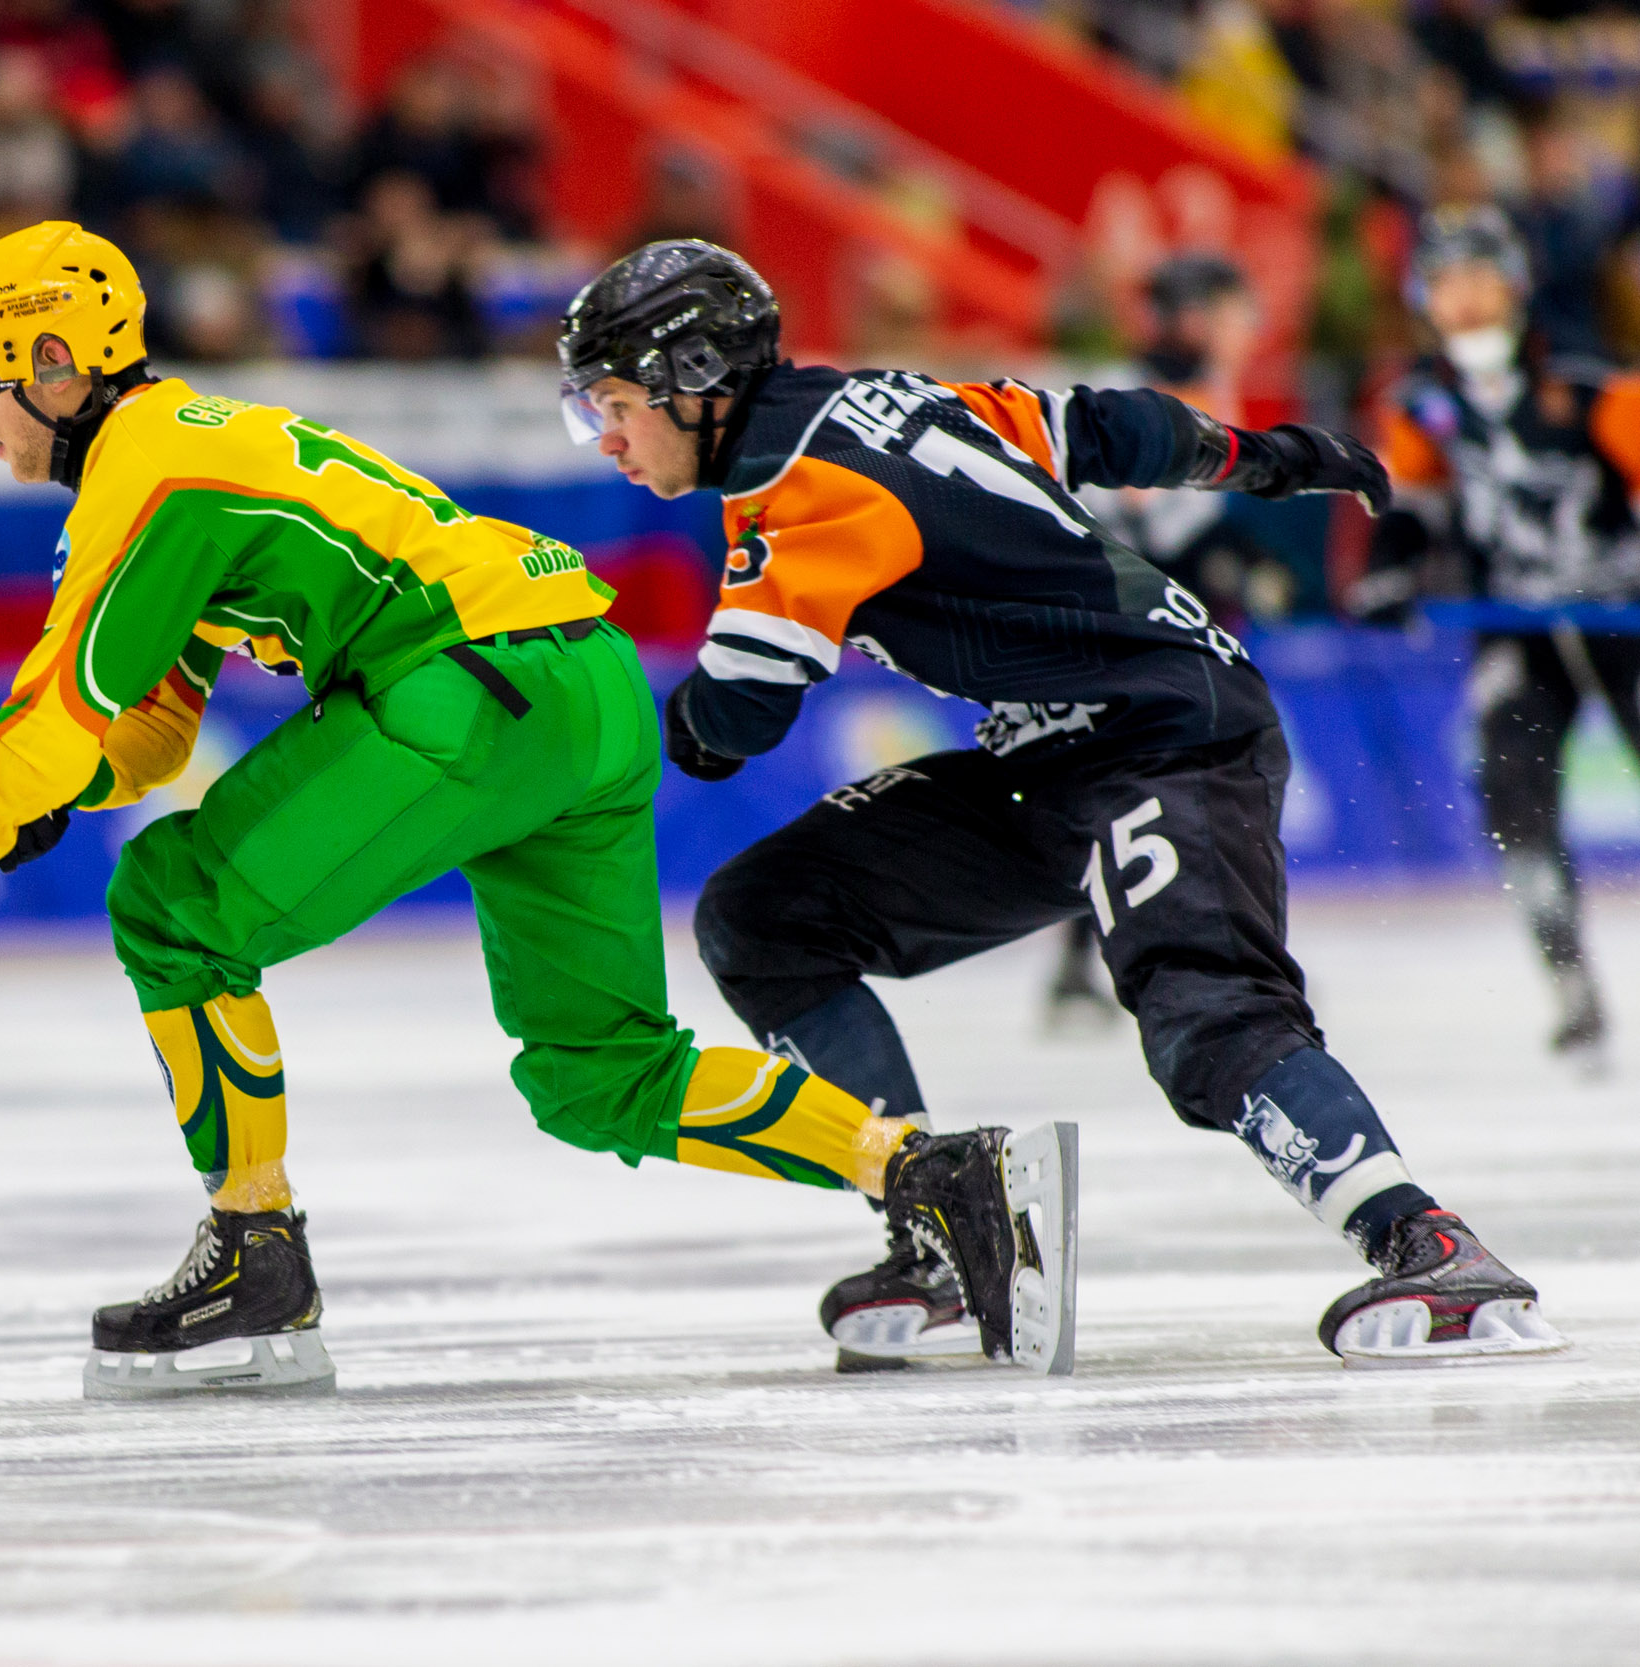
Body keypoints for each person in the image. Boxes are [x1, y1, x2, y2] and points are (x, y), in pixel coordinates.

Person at [0, 220, 1075, 1398]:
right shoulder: (187, 447)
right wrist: (51, 802)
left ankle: (256, 1253)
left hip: (463, 686)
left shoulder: (146, 472)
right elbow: (141, 730)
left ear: (54, 359)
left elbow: (55, 712)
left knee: (170, 904)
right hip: (578, 679)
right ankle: (934, 1174)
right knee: (599, 1074)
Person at [560, 238, 1567, 1370]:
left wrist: (566, 718)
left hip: (1166, 735)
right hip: (1057, 756)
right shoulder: (892, 397)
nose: (602, 438)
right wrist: (1270, 459)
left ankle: (1431, 1247)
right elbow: (1106, 427)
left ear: (696, 381)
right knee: (763, 916)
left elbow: (728, 722)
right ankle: (941, 1224)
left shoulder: (796, 493)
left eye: (609, 404)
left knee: (1206, 1016)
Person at [1356, 206, 1640, 1072]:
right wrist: (1389, 574)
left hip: (1619, 619)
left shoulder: (1591, 383)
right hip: (1515, 628)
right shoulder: (1423, 404)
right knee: (1513, 792)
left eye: (1481, 278)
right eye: (1447, 283)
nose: (1467, 300)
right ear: (1422, 298)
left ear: (1514, 286)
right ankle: (1570, 984)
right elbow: (1413, 506)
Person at [1053, 251, 1285, 1030]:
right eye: (1220, 309)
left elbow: (1193, 519)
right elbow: (1149, 523)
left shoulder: (1192, 385)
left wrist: (1235, 561)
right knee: (1126, 776)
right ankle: (1089, 960)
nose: (1233, 327)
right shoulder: (1137, 390)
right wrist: (1229, 564)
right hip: (1116, 605)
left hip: (1140, 599)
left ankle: (1095, 962)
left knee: (1146, 777)